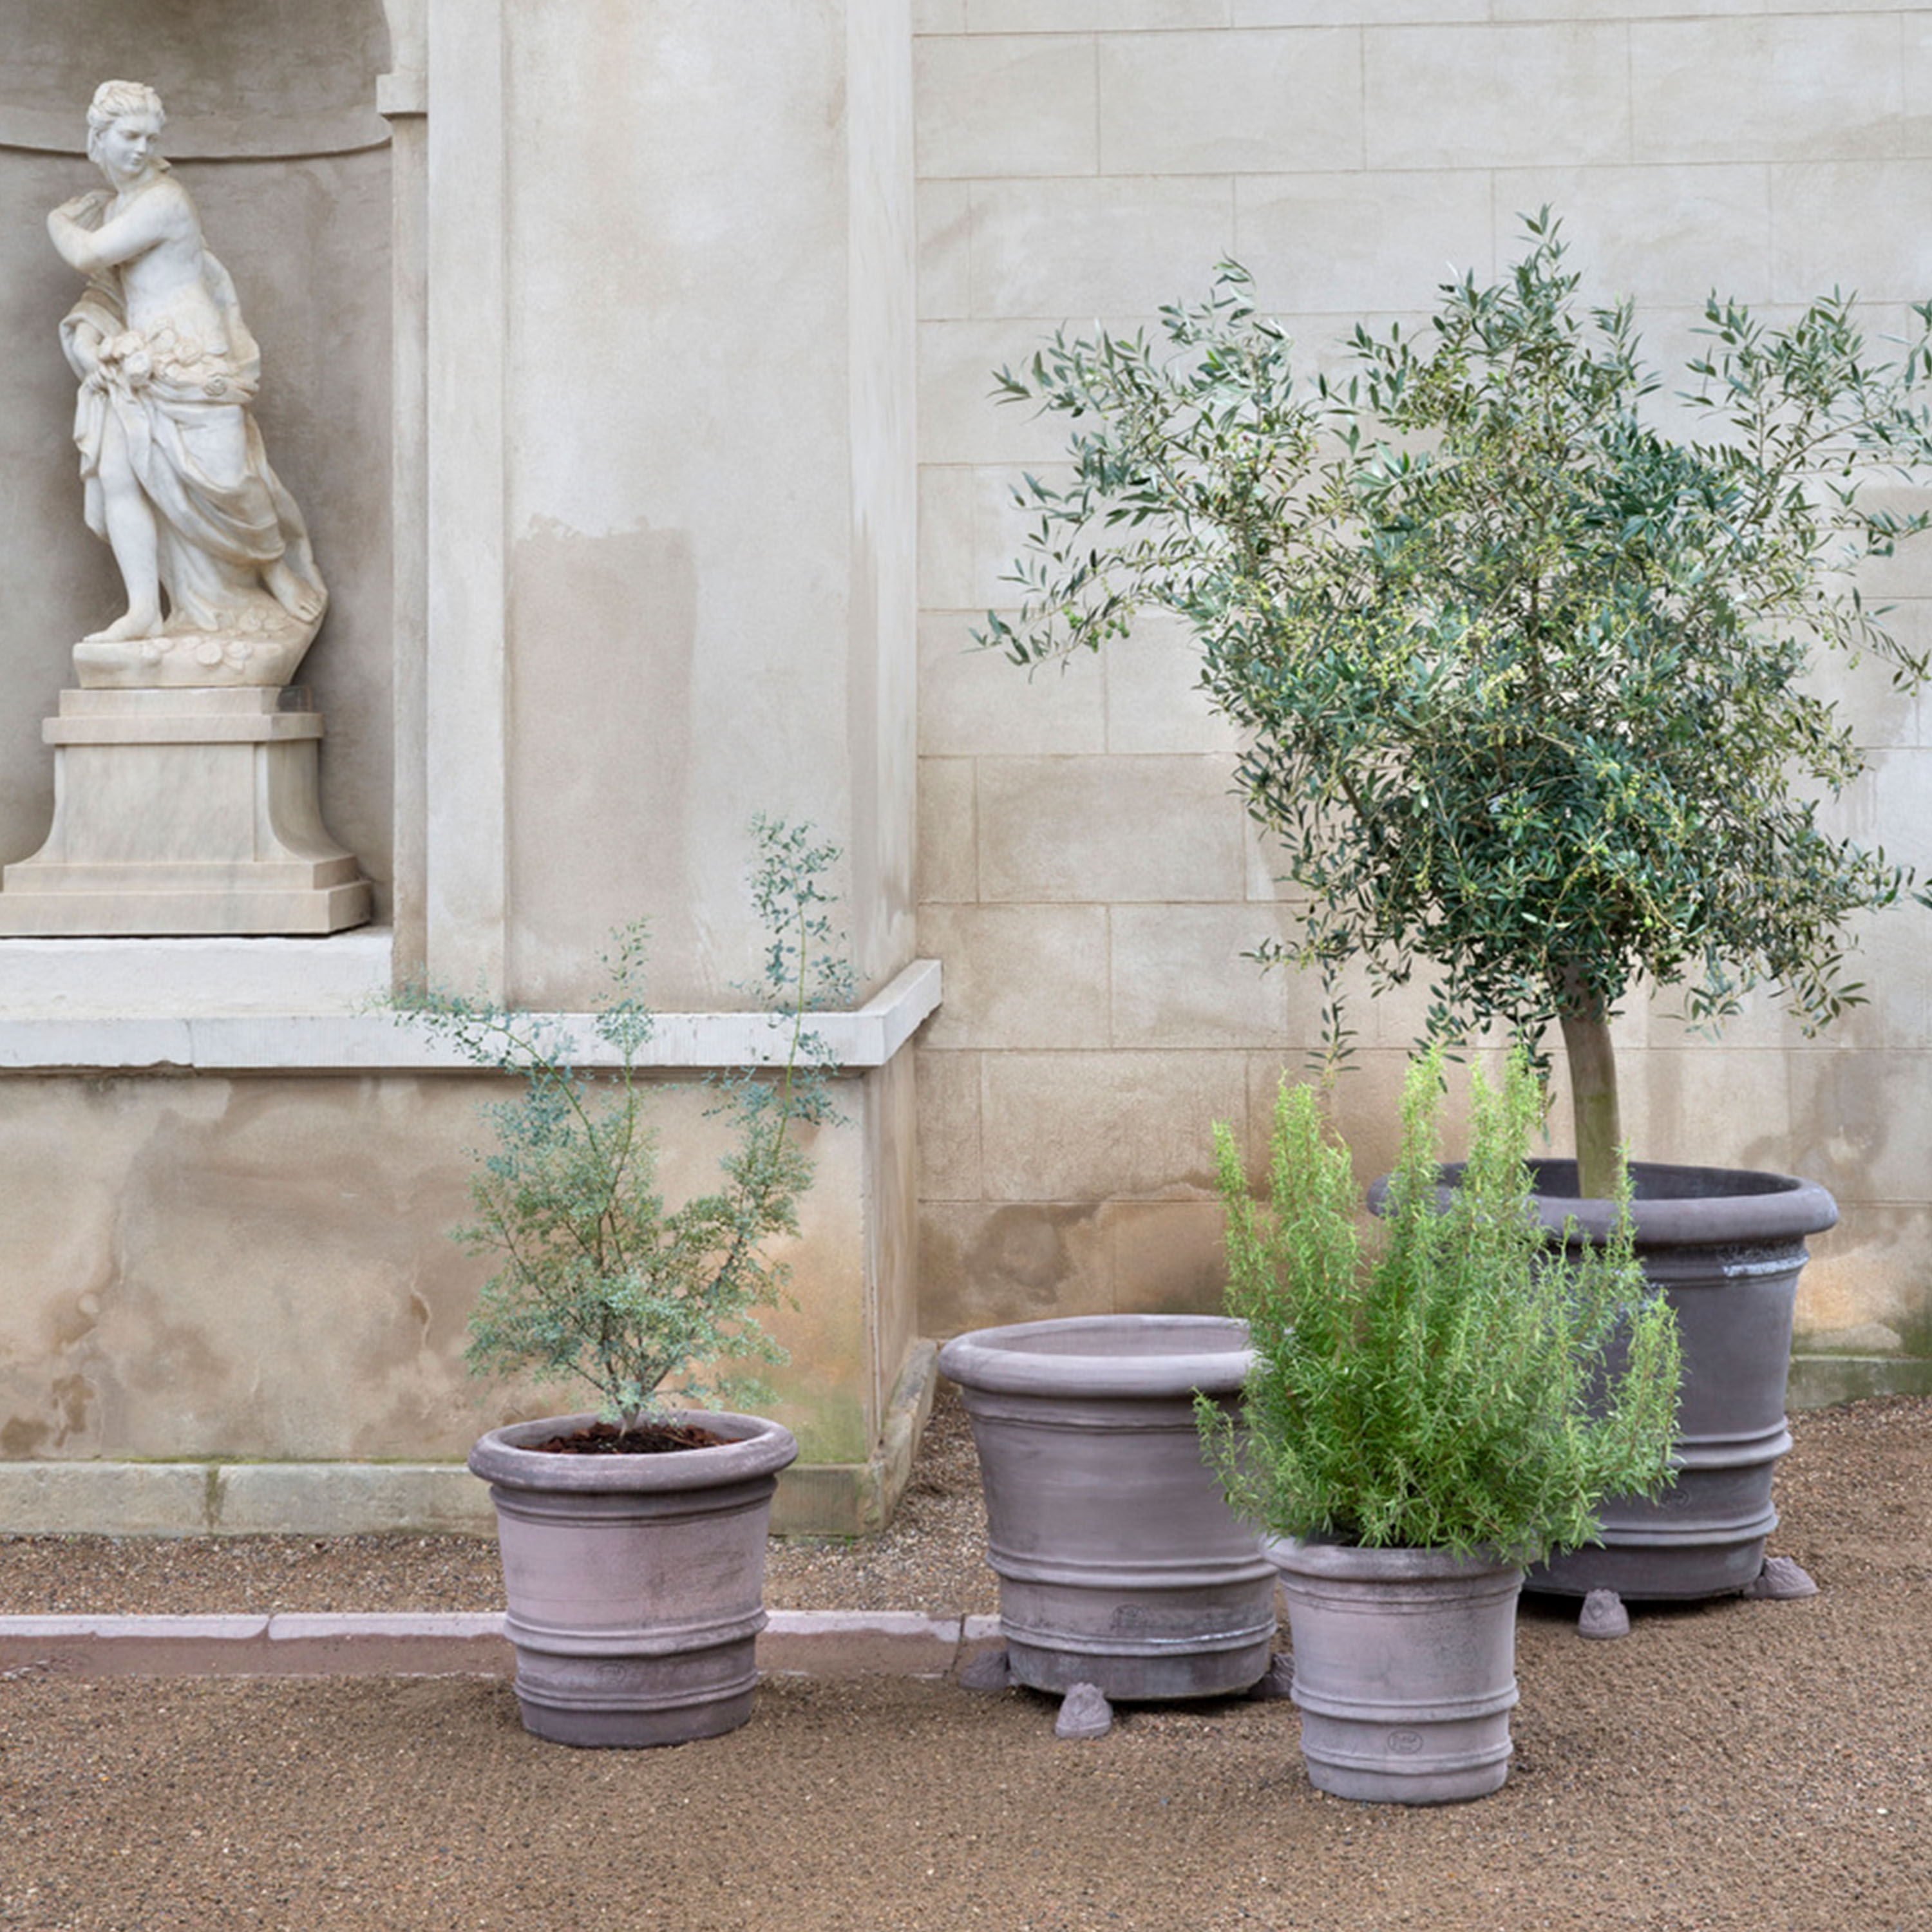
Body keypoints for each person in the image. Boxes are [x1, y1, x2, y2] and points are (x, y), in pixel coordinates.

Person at [46, 80, 325, 653]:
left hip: (194, 363)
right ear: (98, 137)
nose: (141, 149)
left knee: (231, 482)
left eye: (151, 138)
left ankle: (273, 564)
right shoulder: (116, 209)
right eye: (130, 136)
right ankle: (145, 610)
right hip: (136, 368)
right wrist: (89, 340)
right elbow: (107, 291)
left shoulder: (165, 199)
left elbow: (86, 254)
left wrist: (56, 221)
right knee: (120, 475)